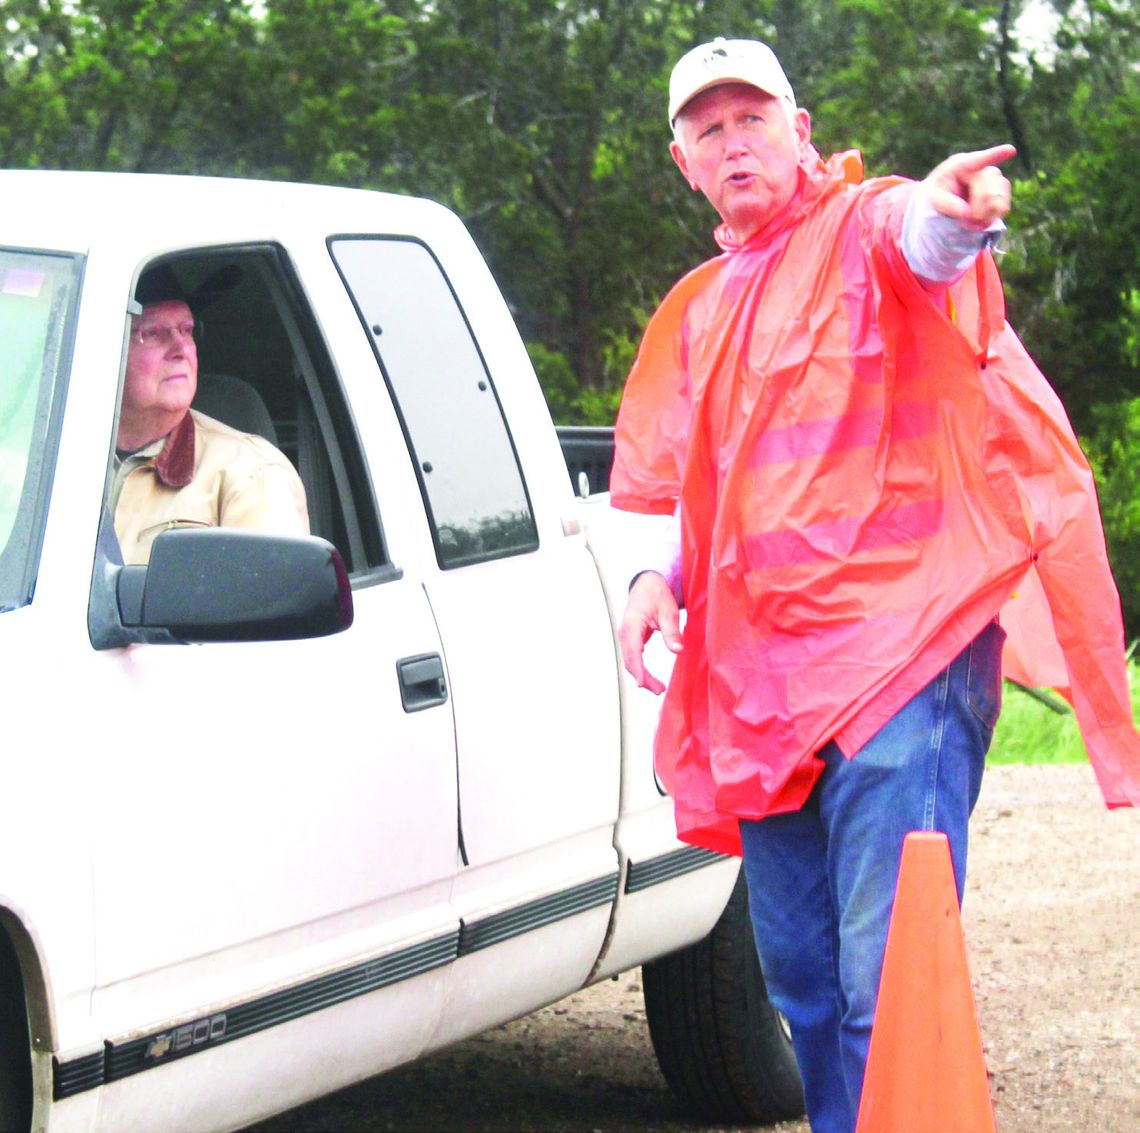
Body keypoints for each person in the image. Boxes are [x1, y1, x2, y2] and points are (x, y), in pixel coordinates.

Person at [611, 37, 1140, 1133]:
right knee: (803, 982)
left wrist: (956, 212)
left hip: (907, 663)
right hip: (768, 691)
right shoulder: (708, 309)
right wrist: (660, 575)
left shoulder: (862, 228)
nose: (733, 139)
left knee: (887, 976)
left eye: (752, 117)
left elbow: (927, 243)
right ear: (684, 163)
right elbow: (722, 485)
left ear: (799, 132)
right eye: (708, 128)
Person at [111, 268, 309, 564]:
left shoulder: (251, 473)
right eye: (152, 333)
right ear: (108, 347)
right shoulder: (44, 456)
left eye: (187, 330)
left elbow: (264, 606)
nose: (181, 349)